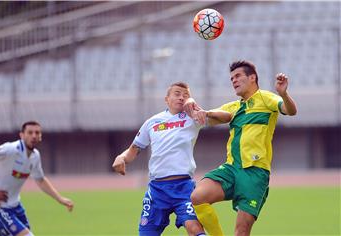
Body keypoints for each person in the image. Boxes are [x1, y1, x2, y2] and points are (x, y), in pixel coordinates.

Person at [184, 60, 297, 236]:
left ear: (252, 78)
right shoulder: (234, 107)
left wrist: (284, 94)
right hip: (231, 168)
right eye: (231, 78)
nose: (234, 81)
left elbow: (290, 110)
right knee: (197, 196)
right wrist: (195, 107)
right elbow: (206, 118)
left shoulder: (267, 99)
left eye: (238, 76)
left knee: (241, 231)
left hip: (255, 173)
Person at [112, 82, 217, 236]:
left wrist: (205, 113)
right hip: (157, 190)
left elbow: (225, 117)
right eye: (177, 93)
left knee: (194, 228)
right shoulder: (152, 122)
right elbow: (134, 149)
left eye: (185, 95)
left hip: (184, 188)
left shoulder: (193, 117)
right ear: (166, 99)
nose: (181, 97)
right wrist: (121, 158)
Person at [0, 121, 74, 236]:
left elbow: (40, 180)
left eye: (37, 133)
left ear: (40, 136)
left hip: (16, 206)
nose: (34, 136)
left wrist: (60, 199)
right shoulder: (11, 149)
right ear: (22, 135)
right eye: (30, 132)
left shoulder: (35, 156)